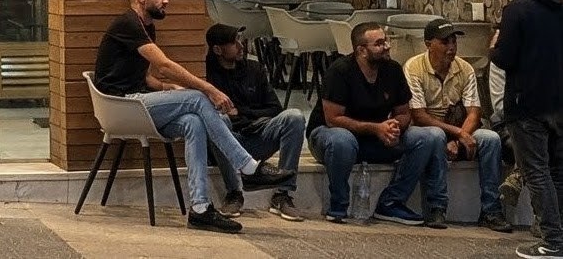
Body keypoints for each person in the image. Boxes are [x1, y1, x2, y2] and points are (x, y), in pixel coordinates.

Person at [94, 0, 295, 234]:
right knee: (198, 97)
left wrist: (168, 88)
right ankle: (247, 166)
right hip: (120, 106)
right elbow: (164, 65)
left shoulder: (146, 27)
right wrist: (209, 89)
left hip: (136, 103)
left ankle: (200, 209)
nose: (166, 0)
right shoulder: (128, 23)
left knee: (194, 122)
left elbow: (144, 78)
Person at [306, 21, 444, 225]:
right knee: (342, 140)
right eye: (379, 43)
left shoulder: (393, 69)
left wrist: (394, 127)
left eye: (385, 41)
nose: (387, 46)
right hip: (331, 136)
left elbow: (404, 113)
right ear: (361, 50)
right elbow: (333, 119)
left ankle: (391, 202)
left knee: (430, 136)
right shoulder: (340, 71)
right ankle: (338, 206)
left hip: (376, 138)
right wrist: (376, 128)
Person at [402, 18, 511, 232]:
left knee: (491, 139)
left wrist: (460, 137)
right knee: (435, 136)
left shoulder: (465, 68)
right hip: (428, 131)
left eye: (454, 42)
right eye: (444, 42)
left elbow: (474, 112)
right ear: (428, 44)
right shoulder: (414, 67)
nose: (451, 48)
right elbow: (419, 115)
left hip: (459, 129)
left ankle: (491, 209)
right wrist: (457, 134)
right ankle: (436, 207)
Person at [490, 0, 563, 259]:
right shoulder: (557, 6)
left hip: (526, 105)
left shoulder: (516, 11)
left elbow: (504, 58)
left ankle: (552, 240)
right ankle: (559, 233)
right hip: (557, 103)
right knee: (557, 171)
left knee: (536, 172)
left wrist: (493, 47)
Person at [204, 23, 306, 222]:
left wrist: (241, 112)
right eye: (234, 43)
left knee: (294, 117)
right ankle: (234, 192)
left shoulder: (254, 69)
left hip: (257, 134)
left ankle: (283, 194)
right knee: (219, 121)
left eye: (240, 40)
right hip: (227, 142)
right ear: (217, 50)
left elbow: (275, 109)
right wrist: (239, 116)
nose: (241, 46)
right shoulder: (207, 74)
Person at [489, 60, 535, 235]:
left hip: (542, 123)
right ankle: (543, 219)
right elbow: (501, 106)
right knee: (534, 145)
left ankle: (517, 175)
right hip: (509, 123)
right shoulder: (500, 61)